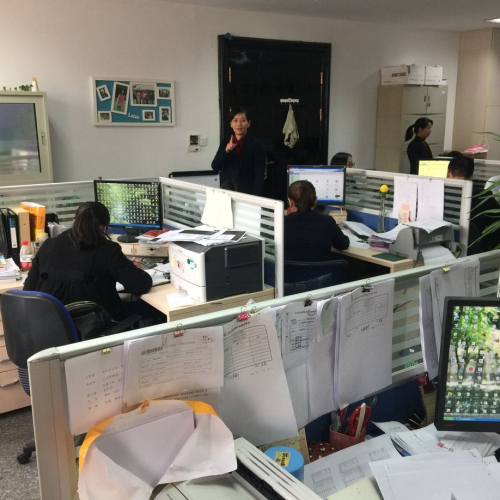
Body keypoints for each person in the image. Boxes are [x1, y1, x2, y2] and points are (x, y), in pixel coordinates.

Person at [24, 202, 153, 321]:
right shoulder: (107, 250)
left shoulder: (48, 245)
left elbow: (28, 290)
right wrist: (137, 270)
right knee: (147, 311)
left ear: (74, 222)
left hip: (52, 328)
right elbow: (140, 286)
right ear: (104, 228)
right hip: (97, 328)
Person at [284, 180, 349, 261]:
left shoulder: (281, 224)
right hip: (322, 270)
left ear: (290, 202)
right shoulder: (327, 222)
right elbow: (343, 245)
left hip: (289, 269)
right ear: (315, 201)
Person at [447, 156, 499, 254]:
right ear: (471, 176)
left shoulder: (442, 195)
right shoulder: (484, 196)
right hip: (478, 253)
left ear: (448, 173)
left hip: (448, 249)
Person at [211, 107, 266, 196]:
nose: (239, 124)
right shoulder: (226, 142)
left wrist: (255, 197)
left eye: (243, 120)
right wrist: (226, 151)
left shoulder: (256, 144)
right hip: (228, 193)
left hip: (248, 193)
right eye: (235, 120)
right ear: (231, 124)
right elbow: (215, 166)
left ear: (248, 123)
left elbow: (259, 175)